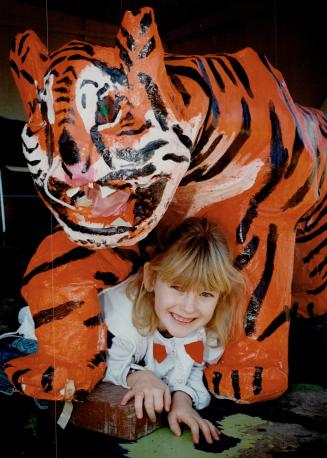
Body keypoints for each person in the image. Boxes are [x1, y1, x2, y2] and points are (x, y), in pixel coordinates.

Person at [99, 216, 246, 444]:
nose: (188, 308)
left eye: (206, 294)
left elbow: (196, 369)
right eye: (177, 287)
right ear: (150, 278)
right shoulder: (124, 315)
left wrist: (183, 400)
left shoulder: (208, 330)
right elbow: (97, 362)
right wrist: (137, 376)